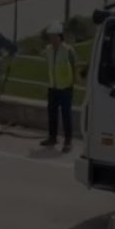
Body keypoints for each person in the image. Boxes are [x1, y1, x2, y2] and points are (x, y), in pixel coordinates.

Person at [40, 22, 78, 152]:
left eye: (53, 36)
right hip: (52, 88)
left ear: (60, 36)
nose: (51, 39)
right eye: (50, 36)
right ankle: (52, 137)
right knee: (52, 114)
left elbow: (74, 66)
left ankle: (68, 141)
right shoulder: (48, 50)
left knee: (66, 115)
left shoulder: (68, 50)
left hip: (65, 88)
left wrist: (73, 83)